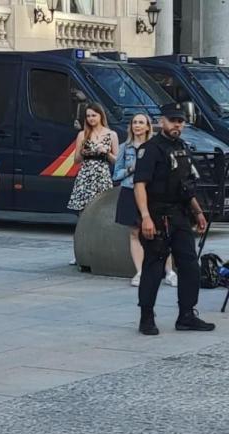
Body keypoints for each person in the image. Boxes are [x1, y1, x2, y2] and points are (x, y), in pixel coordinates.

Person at [134, 102, 215, 336]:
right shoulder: (150, 149)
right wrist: (146, 217)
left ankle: (187, 315)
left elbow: (186, 185)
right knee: (154, 267)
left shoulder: (182, 147)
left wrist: (198, 212)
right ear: (162, 122)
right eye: (172, 120)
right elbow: (140, 185)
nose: (177, 124)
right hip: (157, 215)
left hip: (179, 214)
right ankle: (146, 317)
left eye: (180, 121)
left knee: (190, 265)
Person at [113, 113, 176, 287]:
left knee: (161, 232)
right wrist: (130, 169)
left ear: (148, 126)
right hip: (129, 190)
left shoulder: (155, 147)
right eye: (134, 122)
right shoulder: (125, 147)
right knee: (134, 233)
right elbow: (116, 174)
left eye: (141, 122)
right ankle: (140, 272)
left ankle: (169, 271)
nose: (137, 125)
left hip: (152, 192)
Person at [68, 102, 118, 265]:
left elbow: (116, 160)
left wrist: (106, 152)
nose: (91, 119)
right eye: (88, 116)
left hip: (102, 174)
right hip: (85, 175)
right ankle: (80, 252)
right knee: (83, 215)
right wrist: (84, 151)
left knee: (102, 214)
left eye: (93, 115)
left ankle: (102, 250)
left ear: (100, 116)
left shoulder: (111, 135)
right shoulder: (82, 134)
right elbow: (76, 160)